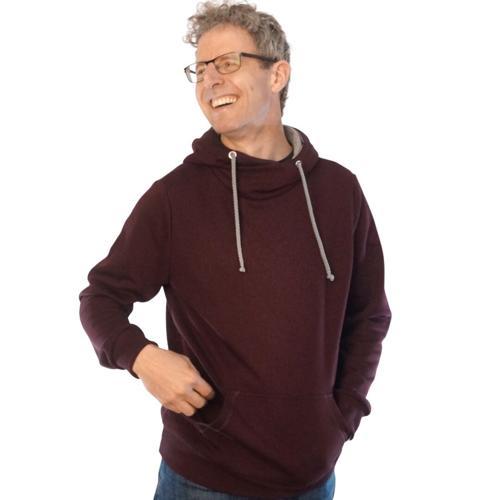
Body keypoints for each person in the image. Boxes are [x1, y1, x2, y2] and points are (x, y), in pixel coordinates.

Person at [78, 1, 392, 498]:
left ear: (277, 74)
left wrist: (342, 415)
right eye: (201, 69)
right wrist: (143, 357)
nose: (210, 81)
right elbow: (100, 298)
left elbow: (369, 314)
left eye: (227, 63)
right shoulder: (175, 197)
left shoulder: (339, 190)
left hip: (312, 479)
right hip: (201, 479)